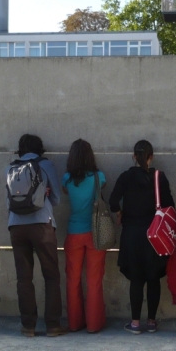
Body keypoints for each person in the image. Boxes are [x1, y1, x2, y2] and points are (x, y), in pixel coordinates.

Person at [109, 140, 175, 334]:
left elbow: (113, 200)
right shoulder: (159, 177)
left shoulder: (125, 177)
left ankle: (135, 323)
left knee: (136, 279)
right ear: (151, 156)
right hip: (155, 236)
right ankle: (152, 322)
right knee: (154, 278)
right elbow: (169, 205)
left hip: (131, 234)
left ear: (134, 156)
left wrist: (120, 213)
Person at [6, 134, 67, 337]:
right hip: (42, 225)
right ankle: (52, 325)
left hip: (16, 226)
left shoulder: (11, 167)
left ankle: (28, 326)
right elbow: (56, 198)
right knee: (51, 275)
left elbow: (9, 202)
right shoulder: (45, 164)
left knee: (24, 278)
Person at [62, 139, 107, 333]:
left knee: (72, 280)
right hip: (95, 233)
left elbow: (66, 192)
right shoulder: (99, 177)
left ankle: (74, 323)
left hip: (74, 233)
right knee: (94, 280)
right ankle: (94, 325)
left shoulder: (66, 179)